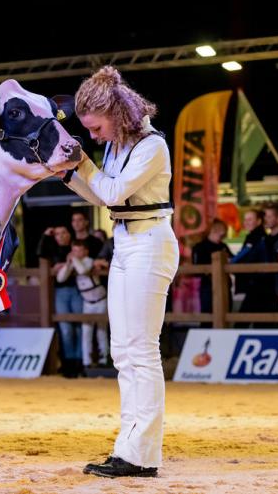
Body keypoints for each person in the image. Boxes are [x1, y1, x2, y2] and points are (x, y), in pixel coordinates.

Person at [62, 65, 178, 478]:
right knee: (122, 351)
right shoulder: (115, 146)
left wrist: (83, 162)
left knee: (142, 350)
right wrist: (69, 173)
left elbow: (111, 190)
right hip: (126, 241)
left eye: (95, 127)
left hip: (151, 242)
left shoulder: (152, 146)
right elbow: (105, 198)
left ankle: (141, 454)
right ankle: (129, 447)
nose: (92, 136)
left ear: (114, 113)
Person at [38, 225, 84, 377]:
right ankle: (68, 363)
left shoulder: (78, 248)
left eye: (64, 232)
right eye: (57, 234)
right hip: (61, 291)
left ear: (69, 234)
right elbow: (40, 252)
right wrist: (45, 235)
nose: (61, 236)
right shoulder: (53, 250)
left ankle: (80, 362)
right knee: (65, 329)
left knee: (81, 326)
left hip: (79, 290)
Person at [57, 239, 109, 369]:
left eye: (78, 250)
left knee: (101, 330)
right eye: (73, 250)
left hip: (100, 300)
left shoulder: (89, 261)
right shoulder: (74, 263)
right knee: (87, 332)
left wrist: (73, 260)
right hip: (87, 303)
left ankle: (104, 359)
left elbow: (82, 271)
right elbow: (60, 278)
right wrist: (68, 264)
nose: (75, 253)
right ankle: (87, 361)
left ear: (85, 251)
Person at [191, 219, 233, 316]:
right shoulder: (200, 247)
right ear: (213, 230)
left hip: (225, 285)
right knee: (208, 315)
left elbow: (233, 260)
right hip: (208, 287)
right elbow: (196, 269)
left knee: (226, 314)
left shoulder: (223, 246)